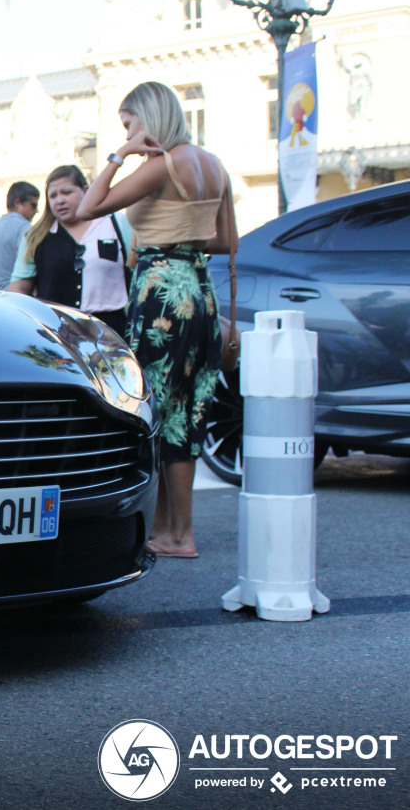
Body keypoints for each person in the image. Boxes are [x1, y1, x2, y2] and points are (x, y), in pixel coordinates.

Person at [76, 81, 238, 560]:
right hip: (199, 290)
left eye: (129, 124)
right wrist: (180, 236)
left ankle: (175, 533)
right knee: (185, 413)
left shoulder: (161, 164)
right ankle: (174, 530)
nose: (128, 133)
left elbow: (89, 208)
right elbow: (228, 241)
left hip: (163, 295)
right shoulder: (213, 164)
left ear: (148, 118)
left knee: (155, 407)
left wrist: (118, 154)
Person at [8, 165, 133, 339]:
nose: (59, 200)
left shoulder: (117, 224)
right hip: (56, 335)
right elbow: (19, 288)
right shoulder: (35, 237)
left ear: (86, 190)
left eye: (66, 192)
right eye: (53, 196)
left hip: (111, 333)